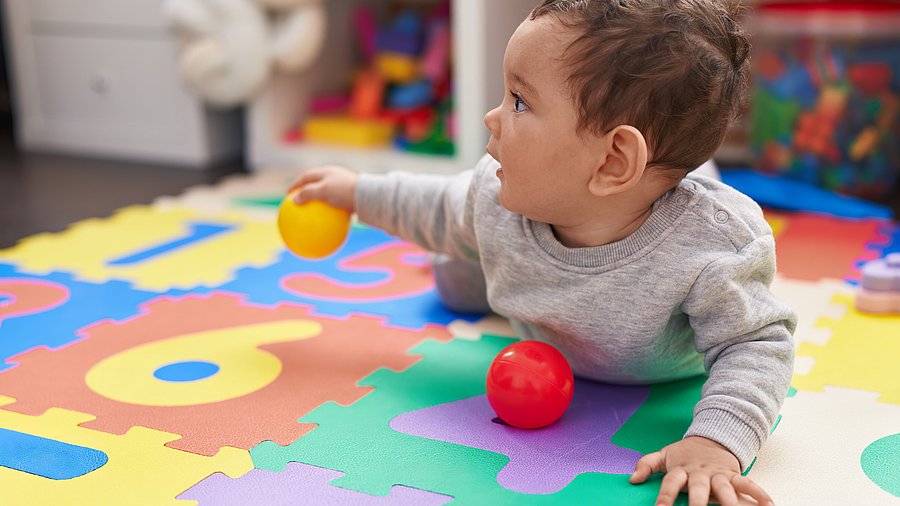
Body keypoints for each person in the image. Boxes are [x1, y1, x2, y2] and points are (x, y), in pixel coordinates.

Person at [287, 1, 796, 504]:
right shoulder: (496, 197)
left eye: (519, 102)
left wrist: (716, 442)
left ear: (613, 160)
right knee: (456, 270)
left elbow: (755, 346)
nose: (492, 116)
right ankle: (477, 265)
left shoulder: (711, 248)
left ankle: (696, 175)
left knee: (475, 255)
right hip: (528, 279)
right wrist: (357, 193)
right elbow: (435, 206)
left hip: (658, 360)